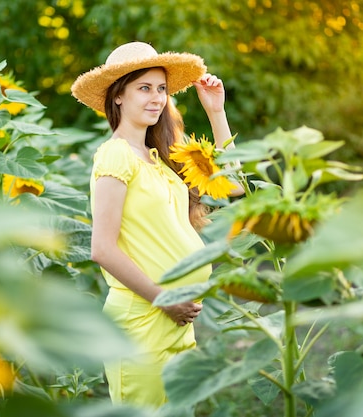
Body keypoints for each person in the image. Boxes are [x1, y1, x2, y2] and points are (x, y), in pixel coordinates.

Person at [71, 41, 242, 408]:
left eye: (161, 89)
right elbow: (102, 248)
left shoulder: (157, 158)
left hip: (177, 323)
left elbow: (233, 185)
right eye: (144, 88)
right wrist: (166, 301)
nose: (157, 98)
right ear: (118, 96)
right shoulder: (116, 155)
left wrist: (216, 112)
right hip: (142, 324)